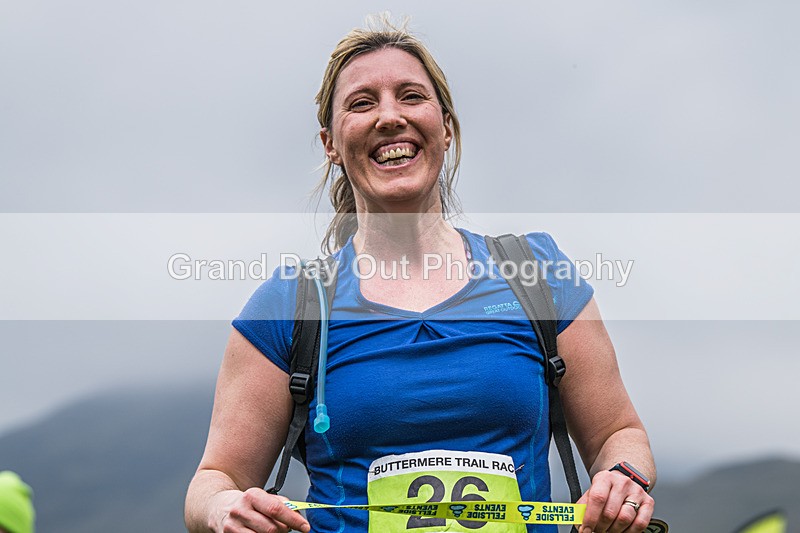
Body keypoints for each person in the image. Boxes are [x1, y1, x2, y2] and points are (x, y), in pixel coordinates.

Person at [185, 16, 656, 533]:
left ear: (446, 128)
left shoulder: (537, 274)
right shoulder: (288, 305)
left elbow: (619, 432)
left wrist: (622, 480)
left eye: (411, 96)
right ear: (330, 143)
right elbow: (215, 477)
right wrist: (221, 509)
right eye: (362, 103)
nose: (390, 116)